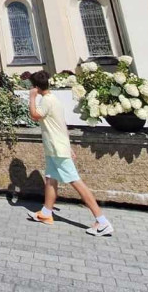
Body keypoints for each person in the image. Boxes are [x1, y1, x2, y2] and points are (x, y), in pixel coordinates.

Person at [27, 71, 114, 237]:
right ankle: (46, 213)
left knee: (76, 182)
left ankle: (102, 221)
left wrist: (31, 98)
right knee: (51, 178)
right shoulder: (54, 100)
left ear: (36, 87)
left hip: (57, 149)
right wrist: (69, 146)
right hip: (56, 148)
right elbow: (62, 124)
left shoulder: (47, 100)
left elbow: (35, 115)